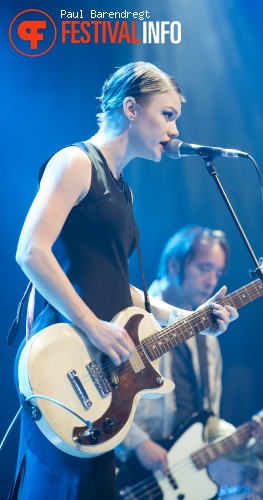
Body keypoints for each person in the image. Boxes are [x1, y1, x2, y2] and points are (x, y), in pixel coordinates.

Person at [9, 63, 239, 500]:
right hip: (65, 356)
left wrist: (192, 317)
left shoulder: (123, 188)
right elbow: (30, 252)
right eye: (168, 114)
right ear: (131, 108)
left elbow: (114, 282)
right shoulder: (76, 162)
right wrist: (92, 324)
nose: (174, 131)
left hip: (101, 373)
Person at [115, 225, 263, 484]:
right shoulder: (135, 315)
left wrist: (256, 446)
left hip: (179, 474)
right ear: (173, 265)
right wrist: (138, 443)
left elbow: (207, 421)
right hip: (129, 467)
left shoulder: (208, 332)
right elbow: (104, 389)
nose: (212, 280)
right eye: (204, 268)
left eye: (218, 272)